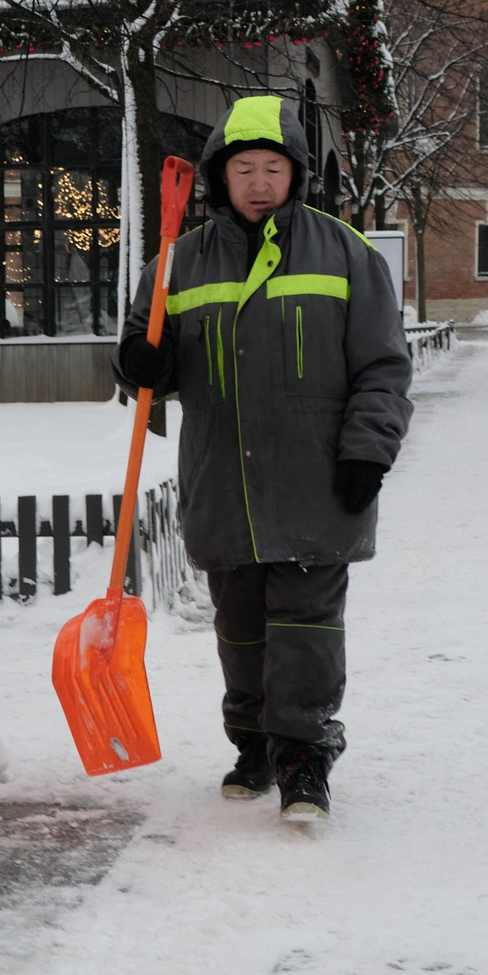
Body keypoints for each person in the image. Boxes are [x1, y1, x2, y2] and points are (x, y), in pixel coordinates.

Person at [111, 95, 413, 824]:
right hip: (226, 480)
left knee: (306, 629)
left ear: (295, 173)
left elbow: (383, 366)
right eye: (242, 167)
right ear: (220, 174)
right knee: (240, 627)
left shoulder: (346, 254)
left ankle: (305, 754)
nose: (256, 181)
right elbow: (144, 368)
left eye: (271, 167)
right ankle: (252, 743)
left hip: (318, 480)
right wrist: (138, 362)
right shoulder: (178, 264)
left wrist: (368, 452)